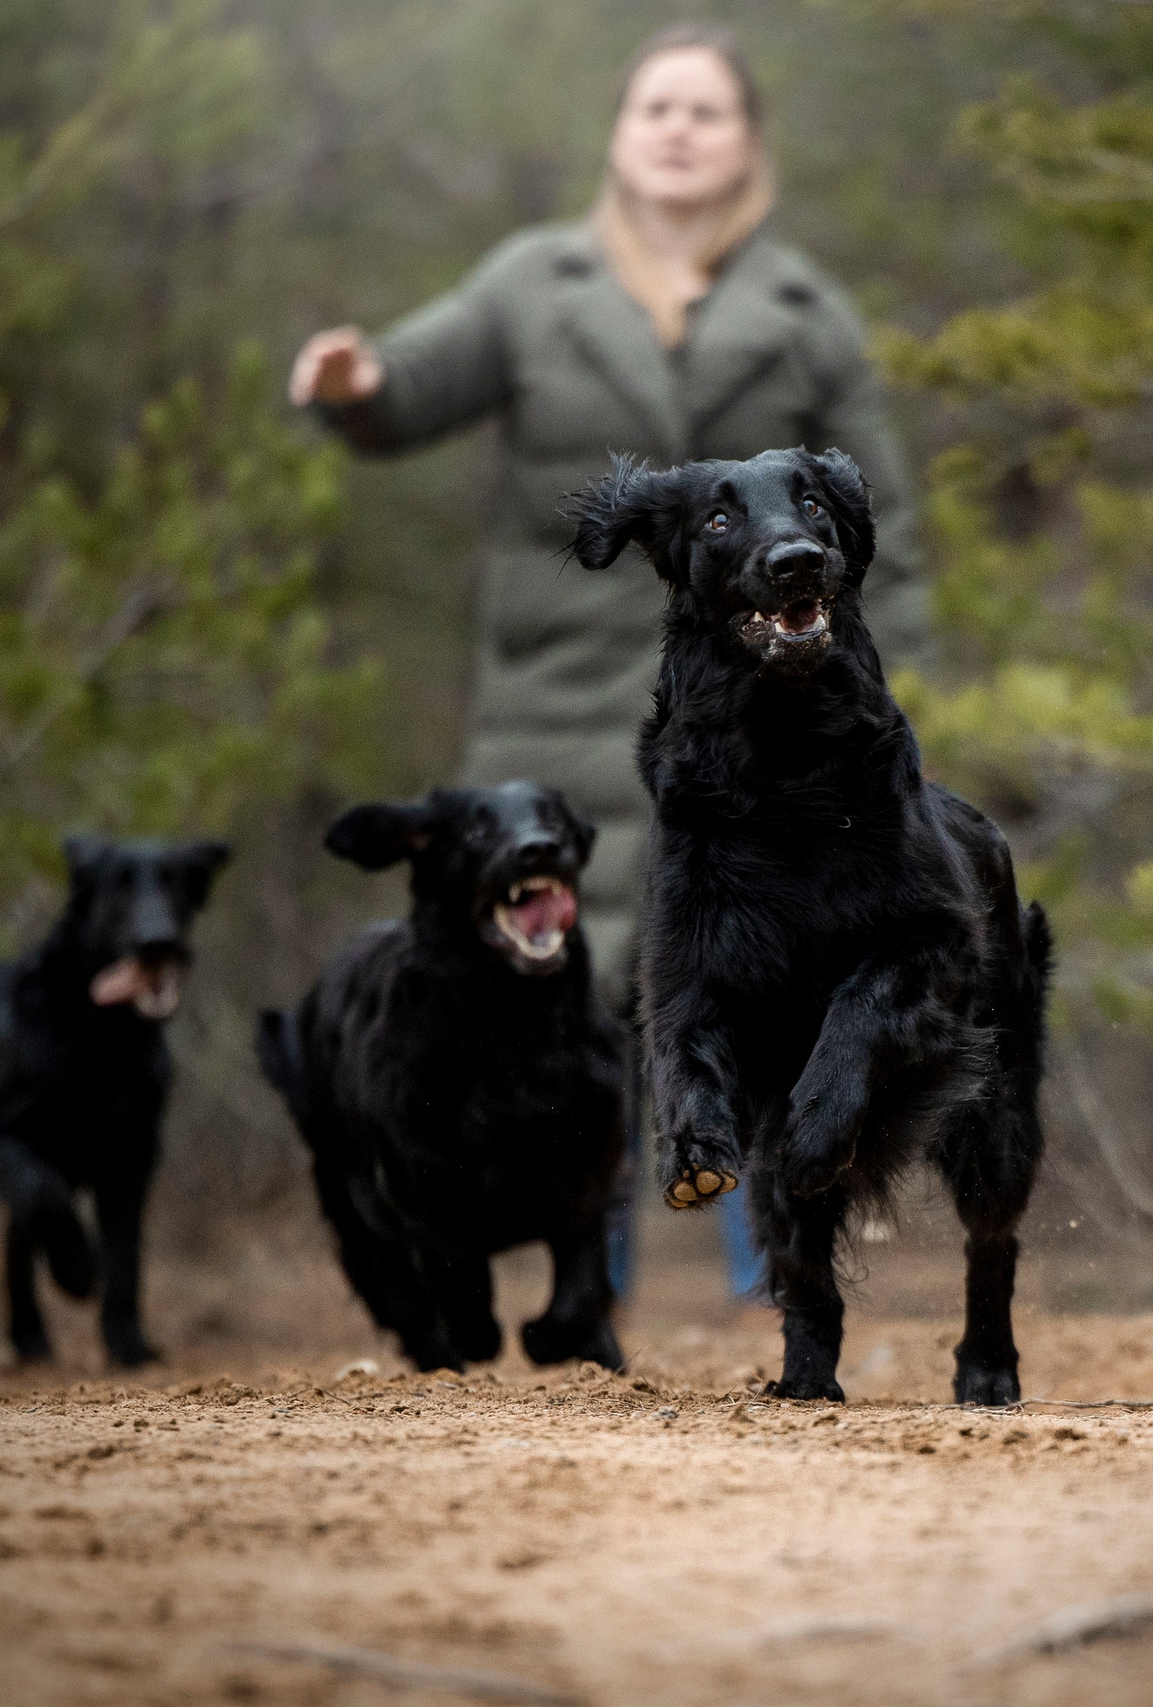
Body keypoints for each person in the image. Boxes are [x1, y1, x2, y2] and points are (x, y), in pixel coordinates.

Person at [290, 23, 924, 1302]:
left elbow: (883, 531)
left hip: (767, 718)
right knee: (566, 989)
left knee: (777, 979)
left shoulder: (807, 312)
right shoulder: (534, 282)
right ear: (620, 135)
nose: (677, 129)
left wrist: (893, 702)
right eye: (655, 108)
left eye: (705, 110)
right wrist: (355, 385)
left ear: (748, 141)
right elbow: (411, 385)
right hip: (554, 704)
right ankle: (592, 1301)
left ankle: (783, 1290)